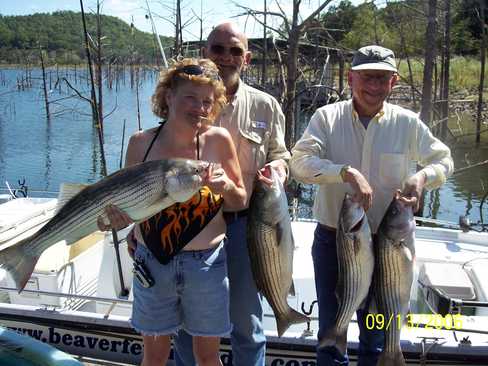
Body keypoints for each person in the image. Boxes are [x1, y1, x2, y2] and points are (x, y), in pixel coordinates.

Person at [290, 45, 454, 366]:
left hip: (389, 247)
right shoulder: (326, 117)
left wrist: (422, 178)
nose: (374, 87)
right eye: (367, 77)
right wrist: (344, 172)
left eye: (382, 79)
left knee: (376, 335)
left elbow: (443, 160)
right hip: (336, 243)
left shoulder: (408, 124)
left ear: (393, 82)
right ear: (351, 78)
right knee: (331, 334)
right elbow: (299, 163)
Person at [97, 58, 247, 366]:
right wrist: (120, 222)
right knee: (154, 356)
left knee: (206, 356)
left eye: (207, 101)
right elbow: (129, 205)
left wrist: (227, 189)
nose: (199, 108)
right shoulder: (140, 143)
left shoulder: (219, 140)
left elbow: (240, 200)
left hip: (206, 265)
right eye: (190, 98)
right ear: (168, 97)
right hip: (153, 263)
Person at [173, 22, 291, 366]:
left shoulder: (265, 105)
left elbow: (281, 154)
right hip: (190, 224)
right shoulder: (186, 102)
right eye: (218, 49)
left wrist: (280, 170)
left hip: (246, 225)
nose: (226, 57)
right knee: (186, 324)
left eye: (235, 51)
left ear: (248, 58)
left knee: (246, 323)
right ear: (205, 53)